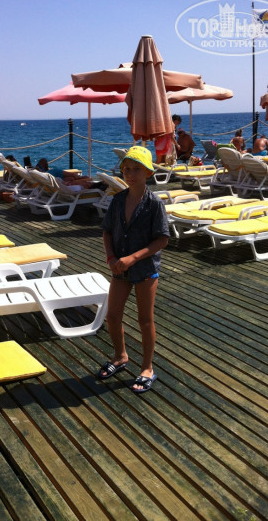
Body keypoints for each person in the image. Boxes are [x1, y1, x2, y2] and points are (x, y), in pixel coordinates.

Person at [98, 146, 170, 393]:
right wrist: (111, 257)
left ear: (148, 172)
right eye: (126, 169)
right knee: (112, 316)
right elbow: (107, 232)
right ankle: (120, 356)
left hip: (145, 269)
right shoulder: (118, 200)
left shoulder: (154, 203)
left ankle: (147, 368)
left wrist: (133, 258)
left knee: (144, 320)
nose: (130, 174)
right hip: (120, 268)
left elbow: (162, 240)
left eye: (136, 169)